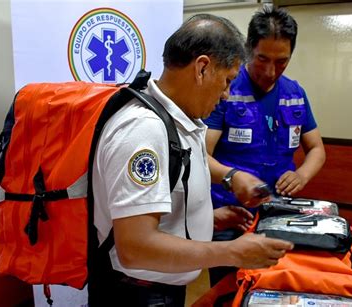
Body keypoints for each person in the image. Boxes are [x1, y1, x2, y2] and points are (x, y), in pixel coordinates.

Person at [87, 14, 294, 307]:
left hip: (162, 286)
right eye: (227, 81)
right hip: (138, 295)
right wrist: (232, 252)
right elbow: (135, 247)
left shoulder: (179, 117)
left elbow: (181, 167)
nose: (225, 95)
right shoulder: (144, 131)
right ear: (202, 68)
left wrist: (209, 215)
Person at [204, 6, 326, 286]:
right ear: (248, 49)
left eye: (282, 61)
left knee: (274, 289)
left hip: (279, 215)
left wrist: (301, 175)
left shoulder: (295, 93)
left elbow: (317, 150)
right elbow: (201, 155)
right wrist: (233, 177)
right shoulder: (226, 89)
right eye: (262, 59)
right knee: (230, 292)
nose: (271, 71)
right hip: (232, 218)